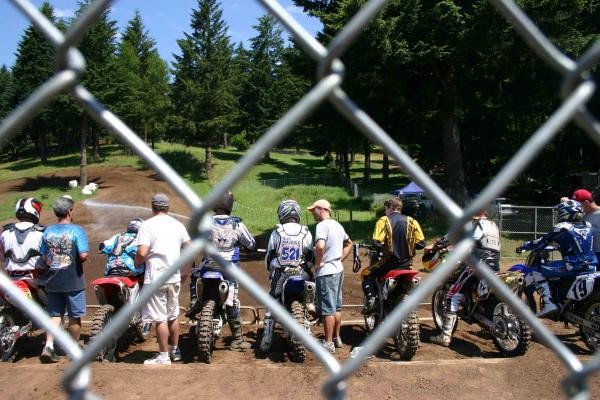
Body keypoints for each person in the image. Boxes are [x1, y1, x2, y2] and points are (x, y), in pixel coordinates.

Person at [188, 191, 255, 351]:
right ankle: (237, 339)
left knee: (194, 275)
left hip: (208, 265)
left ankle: (195, 302)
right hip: (229, 268)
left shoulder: (205, 223)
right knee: (232, 300)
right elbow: (251, 244)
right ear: (229, 205)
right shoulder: (237, 224)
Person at [431, 209, 500, 347]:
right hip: (494, 265)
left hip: (476, 265)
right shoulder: (493, 225)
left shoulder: (474, 224)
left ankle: (445, 335)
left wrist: (438, 244)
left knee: (452, 296)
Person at [516, 200, 596, 317]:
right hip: (591, 266)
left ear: (566, 213)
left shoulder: (562, 227)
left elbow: (541, 242)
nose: (558, 216)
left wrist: (524, 246)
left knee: (536, 271)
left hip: (572, 266)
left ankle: (550, 304)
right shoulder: (588, 225)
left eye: (560, 213)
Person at [135, 193, 191, 365]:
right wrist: (186, 271)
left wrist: (137, 262)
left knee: (160, 318)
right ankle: (175, 350)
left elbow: (142, 252)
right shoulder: (177, 225)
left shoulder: (147, 225)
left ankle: (163, 356)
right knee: (172, 315)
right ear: (168, 207)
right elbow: (190, 247)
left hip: (155, 277)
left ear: (153, 207)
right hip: (174, 276)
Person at [38, 196, 89, 363]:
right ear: (69, 211)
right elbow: (83, 255)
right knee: (74, 316)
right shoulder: (77, 231)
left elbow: (44, 256)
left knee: (55, 315)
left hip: (53, 279)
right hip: (73, 279)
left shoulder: (48, 231)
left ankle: (49, 346)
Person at [262, 199, 314, 351]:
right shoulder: (305, 231)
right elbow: (311, 256)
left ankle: (267, 337)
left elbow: (270, 255)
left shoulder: (277, 231)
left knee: (272, 300)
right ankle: (308, 328)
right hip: (301, 272)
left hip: (281, 272)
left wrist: (270, 269)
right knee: (307, 296)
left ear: (282, 213)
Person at [361, 197, 426, 314]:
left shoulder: (384, 220)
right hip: (407, 264)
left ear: (390, 207)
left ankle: (371, 301)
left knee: (366, 274)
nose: (385, 211)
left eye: (386, 208)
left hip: (388, 264)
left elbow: (376, 242)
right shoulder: (412, 221)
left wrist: (382, 247)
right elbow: (421, 244)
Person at [308, 199, 352, 354]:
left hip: (326, 272)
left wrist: (317, 264)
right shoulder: (337, 225)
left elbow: (320, 246)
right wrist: (339, 259)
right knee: (336, 307)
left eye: (314, 210)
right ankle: (336, 338)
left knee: (327, 309)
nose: (313, 213)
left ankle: (327, 343)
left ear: (321, 209)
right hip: (338, 270)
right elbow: (349, 244)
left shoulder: (322, 226)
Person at [0, 198, 45, 289]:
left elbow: (2, 258)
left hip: (11, 282)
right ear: (34, 211)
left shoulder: (5, 233)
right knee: (55, 296)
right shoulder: (41, 233)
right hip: (35, 280)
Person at [572, 189, 600, 263]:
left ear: (586, 202)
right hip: (589, 255)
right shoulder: (583, 217)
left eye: (579, 205)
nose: (577, 207)